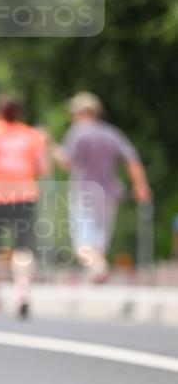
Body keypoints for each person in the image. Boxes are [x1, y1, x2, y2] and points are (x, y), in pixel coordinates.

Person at [53, 92, 151, 282]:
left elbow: (67, 162)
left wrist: (53, 148)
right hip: (109, 193)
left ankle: (99, 267)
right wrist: (141, 185)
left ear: (80, 112)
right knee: (99, 241)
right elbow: (132, 160)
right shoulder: (111, 133)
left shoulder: (78, 132)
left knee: (82, 244)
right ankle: (97, 272)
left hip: (85, 193)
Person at [0, 96, 48, 319]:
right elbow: (43, 167)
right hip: (24, 194)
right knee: (22, 247)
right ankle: (22, 293)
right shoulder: (31, 135)